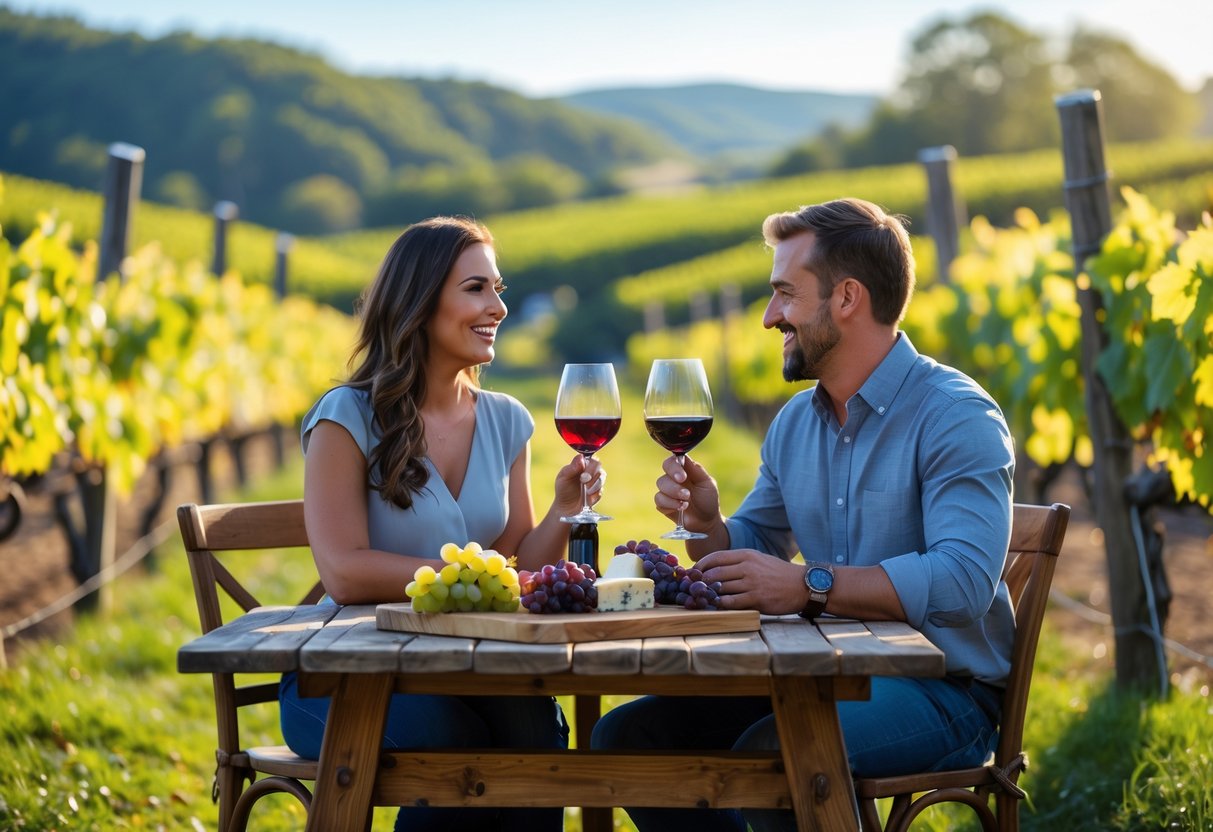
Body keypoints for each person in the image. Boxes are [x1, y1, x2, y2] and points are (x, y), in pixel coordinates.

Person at [592, 198, 1015, 832]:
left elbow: (962, 583)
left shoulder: (954, 415)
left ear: (847, 298)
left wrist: (809, 585)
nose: (769, 317)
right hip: (821, 675)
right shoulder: (797, 423)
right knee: (628, 736)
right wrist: (710, 527)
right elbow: (753, 543)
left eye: (785, 294)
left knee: (777, 752)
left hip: (945, 690)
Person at [279, 215, 602, 831]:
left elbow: (515, 567)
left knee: (537, 734)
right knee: (451, 743)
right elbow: (344, 573)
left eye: (499, 288)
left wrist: (564, 510)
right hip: (348, 681)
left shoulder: (507, 419)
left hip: (468, 669)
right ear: (421, 302)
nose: (498, 307)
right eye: (476, 288)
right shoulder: (346, 417)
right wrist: (469, 577)